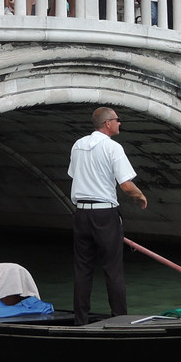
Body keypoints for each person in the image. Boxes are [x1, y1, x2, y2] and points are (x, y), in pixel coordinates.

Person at [67, 106, 148, 325]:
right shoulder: (113, 148)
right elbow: (126, 185)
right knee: (113, 270)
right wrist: (140, 196)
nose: (120, 123)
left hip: (81, 214)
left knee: (82, 270)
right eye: (118, 120)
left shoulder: (78, 145)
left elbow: (74, 174)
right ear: (108, 123)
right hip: (104, 215)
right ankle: (120, 321)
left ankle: (80, 321)